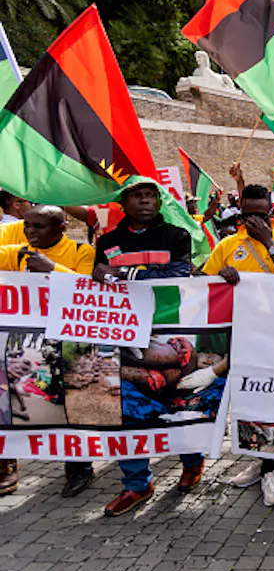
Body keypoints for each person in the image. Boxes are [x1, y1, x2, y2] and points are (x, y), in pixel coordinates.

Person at [92, 179, 201, 517]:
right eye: (137, 195)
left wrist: (121, 275)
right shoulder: (107, 241)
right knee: (128, 408)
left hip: (171, 332)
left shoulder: (176, 236)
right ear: (123, 202)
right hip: (126, 336)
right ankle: (137, 484)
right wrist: (105, 276)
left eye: (151, 195)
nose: (145, 201)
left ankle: (192, 462)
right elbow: (99, 279)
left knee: (177, 401)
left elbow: (177, 273)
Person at [202, 184, 274, 507]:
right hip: (243, 334)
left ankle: (271, 470)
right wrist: (221, 274)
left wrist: (270, 244)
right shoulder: (229, 244)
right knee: (249, 401)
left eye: (262, 214)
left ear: (271, 213)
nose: (255, 220)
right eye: (249, 215)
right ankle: (258, 460)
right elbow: (203, 281)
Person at [0, 205, 95, 497]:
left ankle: (79, 468)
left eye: (39, 227)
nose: (30, 232)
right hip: (24, 344)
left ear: (61, 227)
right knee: (10, 402)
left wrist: (53, 270)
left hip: (68, 343)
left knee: (71, 406)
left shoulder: (82, 252)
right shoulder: (16, 252)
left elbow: (89, 292)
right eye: (27, 226)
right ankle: (7, 466)